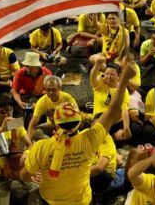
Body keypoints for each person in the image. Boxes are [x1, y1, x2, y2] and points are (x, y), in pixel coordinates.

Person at [19, 62, 136, 204]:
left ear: (56, 123)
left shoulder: (41, 147)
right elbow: (112, 112)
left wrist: (27, 154)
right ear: (79, 121)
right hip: (82, 200)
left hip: (51, 201)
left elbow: (24, 175)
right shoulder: (90, 139)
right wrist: (123, 83)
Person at [0, 94, 33, 204]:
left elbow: (30, 144)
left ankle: (13, 194)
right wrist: (1, 129)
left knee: (36, 189)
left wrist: (27, 153)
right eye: (1, 112)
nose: (6, 115)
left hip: (15, 166)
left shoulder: (16, 123)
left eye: (9, 111)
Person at [90, 57, 132, 142]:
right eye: (107, 74)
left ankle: (109, 139)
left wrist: (126, 127)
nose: (108, 77)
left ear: (118, 76)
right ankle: (106, 140)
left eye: (112, 74)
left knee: (126, 134)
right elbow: (93, 78)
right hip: (101, 117)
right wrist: (97, 64)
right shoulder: (101, 82)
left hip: (116, 120)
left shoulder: (122, 89)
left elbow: (124, 110)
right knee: (97, 130)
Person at [27, 75, 78, 140]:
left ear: (59, 88)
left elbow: (77, 120)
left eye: (54, 90)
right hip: (51, 125)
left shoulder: (68, 99)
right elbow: (33, 124)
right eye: (48, 90)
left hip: (66, 126)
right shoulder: (41, 101)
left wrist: (65, 131)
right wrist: (27, 143)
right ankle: (50, 143)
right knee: (35, 131)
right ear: (45, 89)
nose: (51, 92)